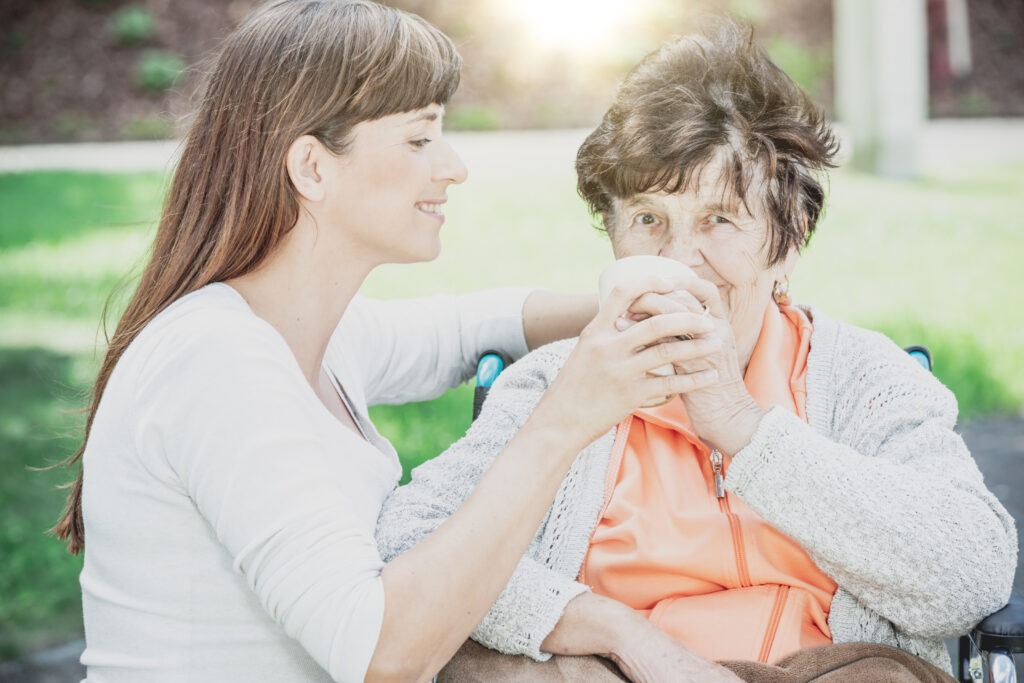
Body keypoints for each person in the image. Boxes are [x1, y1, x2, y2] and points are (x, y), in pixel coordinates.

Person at [51, 2, 722, 681]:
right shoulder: (217, 365)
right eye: (418, 139)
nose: (453, 166)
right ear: (311, 168)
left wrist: (644, 302)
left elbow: (475, 324)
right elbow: (381, 654)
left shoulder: (313, 331)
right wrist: (566, 420)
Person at [376, 21, 1018, 682]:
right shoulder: (556, 384)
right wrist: (611, 626)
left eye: (719, 219)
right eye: (650, 219)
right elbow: (402, 555)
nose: (682, 262)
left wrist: (743, 426)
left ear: (787, 241)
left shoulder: (862, 377)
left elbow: (971, 573)